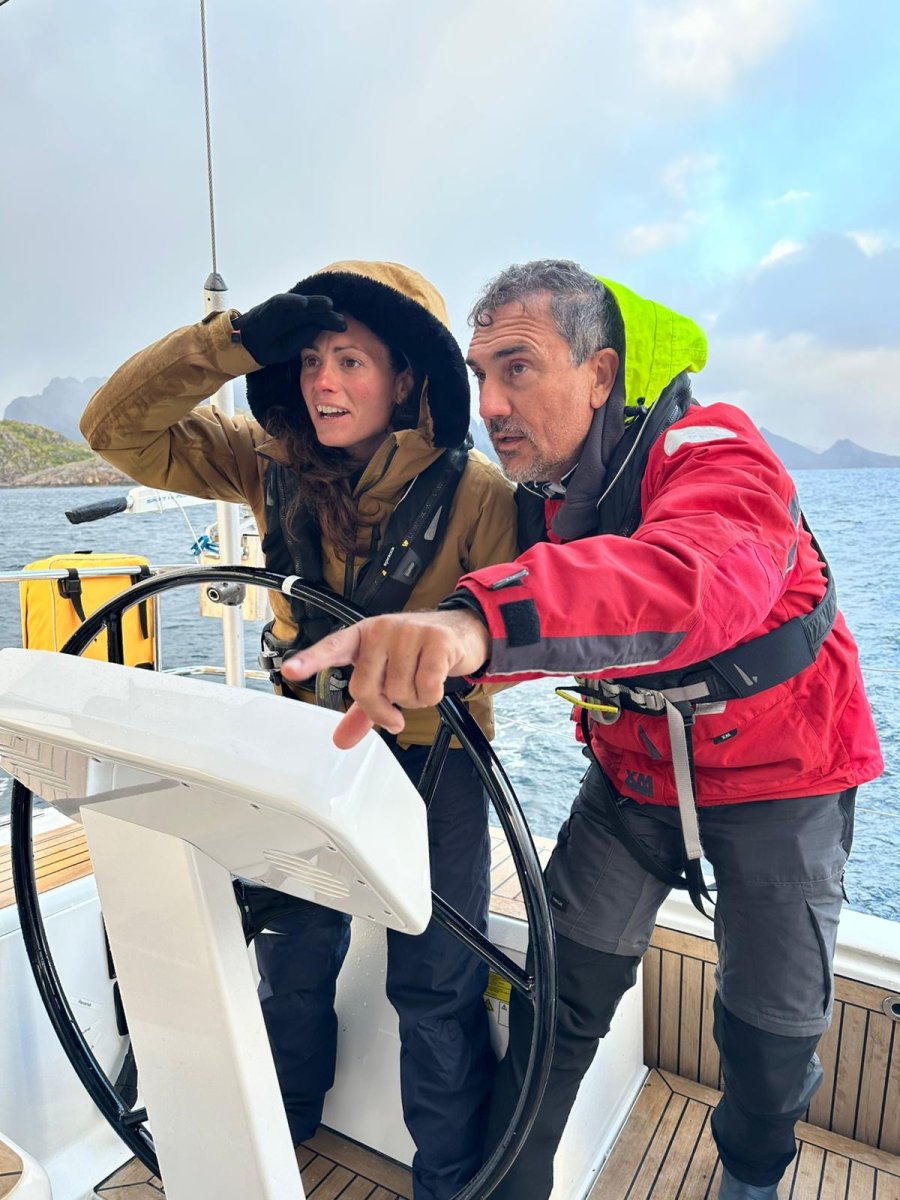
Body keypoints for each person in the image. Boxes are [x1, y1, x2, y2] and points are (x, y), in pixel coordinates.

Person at [282, 260, 884, 1200]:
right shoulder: (542, 501)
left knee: (772, 1039)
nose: (490, 401)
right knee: (551, 1012)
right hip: (633, 782)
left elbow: (689, 580)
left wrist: (474, 621)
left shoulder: (717, 451)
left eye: (517, 368)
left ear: (599, 375)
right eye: (480, 376)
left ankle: (754, 1175)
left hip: (784, 780)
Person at [80, 260, 520, 1200]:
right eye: (311, 357)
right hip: (303, 753)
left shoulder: (480, 494)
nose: (324, 382)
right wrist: (229, 340)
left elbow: (522, 642)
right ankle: (277, 1147)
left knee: (436, 988)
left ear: (408, 379)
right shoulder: (265, 463)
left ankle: (450, 1183)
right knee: (292, 953)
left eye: (352, 361)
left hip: (434, 760)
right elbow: (111, 428)